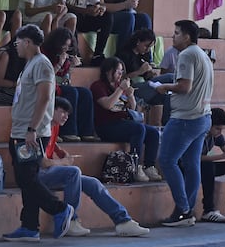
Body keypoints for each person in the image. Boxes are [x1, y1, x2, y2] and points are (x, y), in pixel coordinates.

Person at [2, 24, 75, 242]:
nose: (15, 46)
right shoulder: (30, 64)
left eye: (18, 42)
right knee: (26, 178)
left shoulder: (42, 65)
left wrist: (32, 129)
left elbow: (44, 98)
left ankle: (59, 208)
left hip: (30, 131)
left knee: (28, 178)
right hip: (20, 130)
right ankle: (29, 225)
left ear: (27, 42)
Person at [40, 97, 150, 237]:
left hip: (51, 172)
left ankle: (123, 221)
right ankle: (71, 221)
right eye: (63, 112)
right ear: (52, 110)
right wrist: (63, 162)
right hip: (39, 174)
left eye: (68, 114)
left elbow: (51, 144)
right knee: (73, 172)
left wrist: (59, 152)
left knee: (93, 183)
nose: (66, 117)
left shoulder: (54, 127)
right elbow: (42, 163)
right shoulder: (41, 128)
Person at [155, 19, 214, 227]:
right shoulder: (203, 55)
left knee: (167, 160)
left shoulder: (186, 54)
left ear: (187, 37)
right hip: (203, 117)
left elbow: (185, 86)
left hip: (186, 118)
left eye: (177, 33)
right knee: (191, 164)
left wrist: (164, 87)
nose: (173, 36)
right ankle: (187, 210)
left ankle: (183, 208)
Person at [90, 56, 162, 182]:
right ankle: (135, 166)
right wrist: (121, 89)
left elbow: (133, 109)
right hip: (106, 126)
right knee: (138, 129)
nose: (120, 74)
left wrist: (130, 96)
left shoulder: (119, 86)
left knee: (153, 132)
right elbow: (107, 104)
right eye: (118, 71)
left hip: (123, 123)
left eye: (122, 72)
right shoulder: (98, 86)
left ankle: (149, 166)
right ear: (108, 71)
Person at [40, 27, 97, 142]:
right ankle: (68, 131)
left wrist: (70, 67)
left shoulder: (65, 55)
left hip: (58, 85)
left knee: (85, 93)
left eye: (68, 46)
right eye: (64, 46)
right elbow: (46, 76)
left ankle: (86, 131)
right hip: (45, 86)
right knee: (71, 92)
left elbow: (65, 80)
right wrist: (60, 63)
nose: (66, 49)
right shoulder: (44, 53)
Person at [56, 0, 113, 66]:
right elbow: (64, 6)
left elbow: (97, 2)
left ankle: (98, 55)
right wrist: (86, 11)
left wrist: (99, 9)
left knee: (107, 16)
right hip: (67, 18)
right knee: (72, 16)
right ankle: (75, 55)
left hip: (84, 18)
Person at [116, 28, 172, 127]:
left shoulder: (144, 55)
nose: (147, 50)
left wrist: (150, 74)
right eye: (146, 46)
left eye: (150, 47)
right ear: (138, 42)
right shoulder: (125, 54)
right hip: (132, 89)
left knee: (169, 95)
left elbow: (146, 77)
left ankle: (166, 126)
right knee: (170, 77)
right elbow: (120, 78)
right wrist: (139, 71)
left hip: (146, 86)